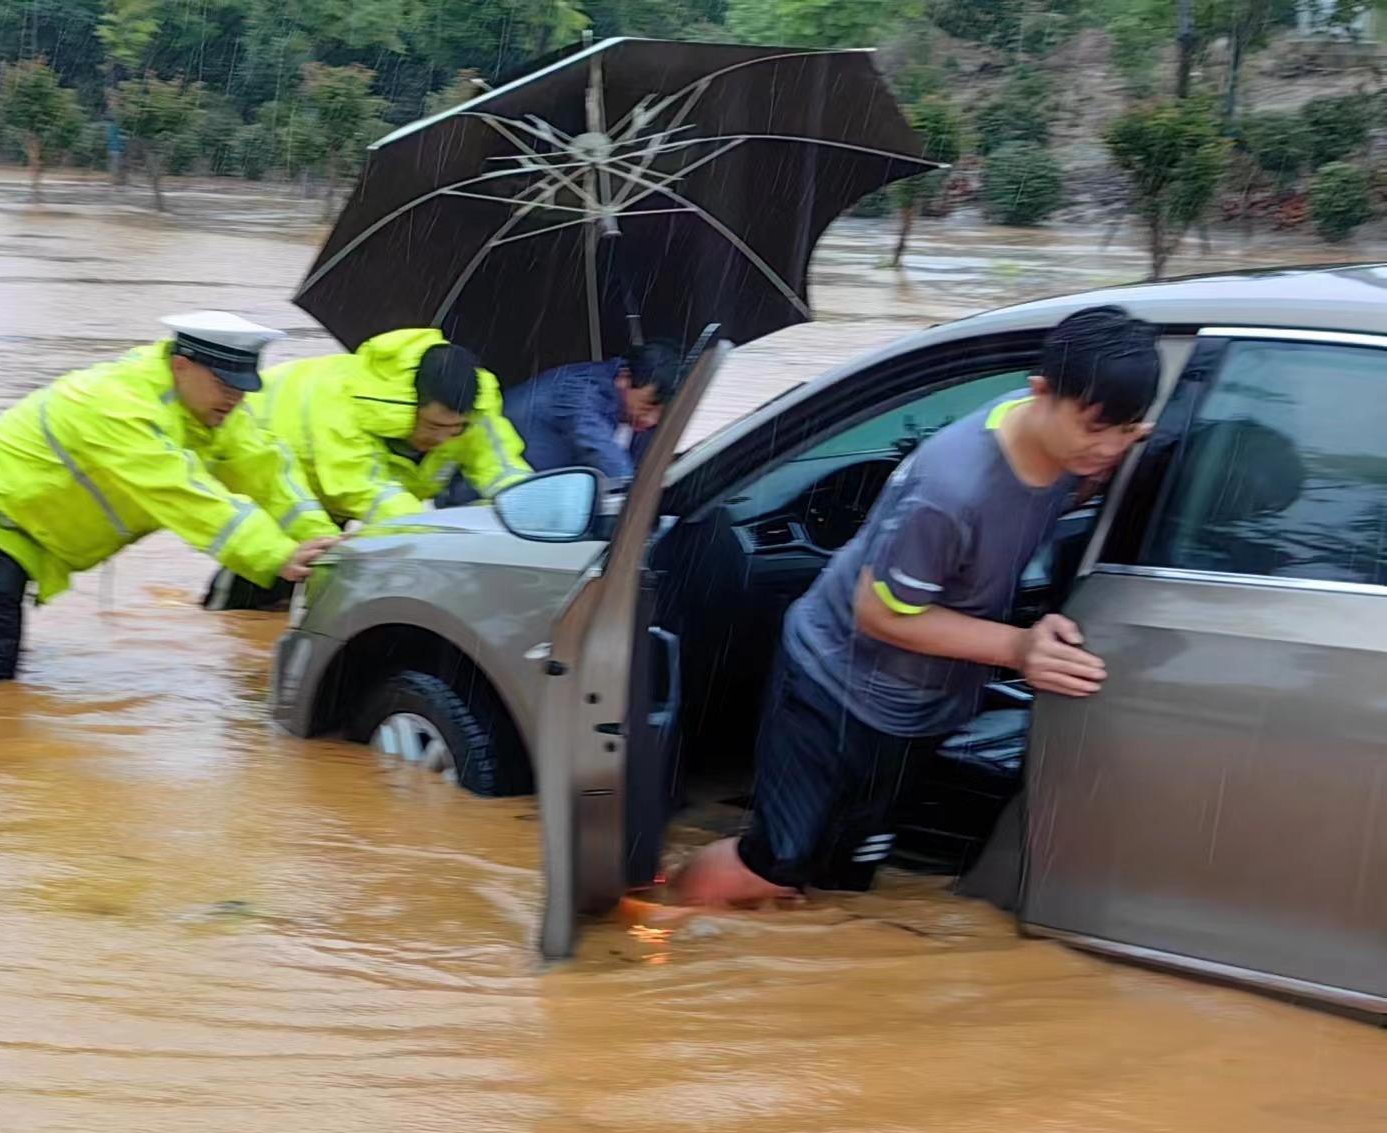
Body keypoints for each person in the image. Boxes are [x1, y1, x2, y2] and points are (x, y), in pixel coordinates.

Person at [674, 306, 1162, 907]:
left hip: (922, 703)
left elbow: (1075, 480)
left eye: (1126, 429)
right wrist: (1018, 647)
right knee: (773, 863)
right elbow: (877, 613)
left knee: (847, 870)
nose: (1110, 446)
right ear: (1041, 393)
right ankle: (655, 925)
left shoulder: (1074, 454)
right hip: (835, 685)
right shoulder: (951, 489)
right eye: (1095, 428)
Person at [0, 312, 338, 682]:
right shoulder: (119, 405)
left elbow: (267, 471)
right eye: (226, 385)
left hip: (35, 526)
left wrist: (321, 538)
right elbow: (187, 497)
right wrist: (277, 556)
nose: (235, 399)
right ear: (182, 365)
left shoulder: (215, 411)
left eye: (243, 388)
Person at [201, 328, 529, 610]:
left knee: (320, 590)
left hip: (339, 490)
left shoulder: (476, 413)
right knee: (260, 579)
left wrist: (538, 516)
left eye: (454, 429)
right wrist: (437, 543)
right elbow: (364, 490)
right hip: (262, 463)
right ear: (406, 408)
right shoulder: (340, 402)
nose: (442, 438)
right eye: (432, 425)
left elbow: (503, 470)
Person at [435, 342, 683, 509]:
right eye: (649, 406)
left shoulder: (627, 414)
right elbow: (602, 452)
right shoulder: (580, 389)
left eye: (660, 413)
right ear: (624, 378)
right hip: (475, 500)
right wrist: (640, 505)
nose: (651, 420)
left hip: (524, 505)